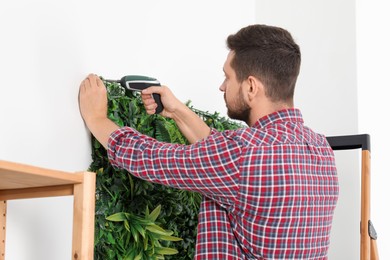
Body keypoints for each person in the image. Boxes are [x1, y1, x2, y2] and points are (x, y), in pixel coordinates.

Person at [79, 24, 339, 259]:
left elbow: (149, 157)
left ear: (251, 87)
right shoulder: (321, 149)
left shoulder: (243, 155)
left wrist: (97, 118)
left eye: (228, 76)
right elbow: (221, 159)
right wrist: (177, 111)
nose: (222, 86)